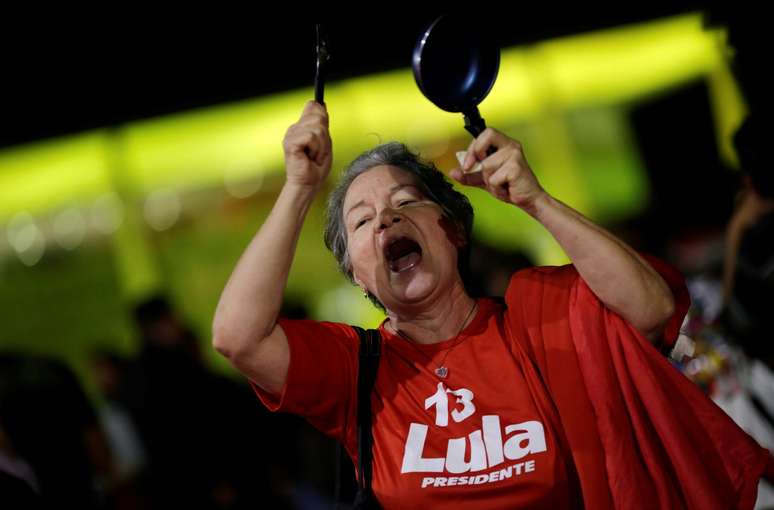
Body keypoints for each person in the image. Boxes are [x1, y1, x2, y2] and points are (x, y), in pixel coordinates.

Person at [213, 101, 771, 509]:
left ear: (454, 230)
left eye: (406, 201)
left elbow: (650, 309)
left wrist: (537, 200)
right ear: (357, 273)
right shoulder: (354, 369)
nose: (386, 218)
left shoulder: (539, 323)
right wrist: (298, 189)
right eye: (362, 220)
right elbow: (238, 337)